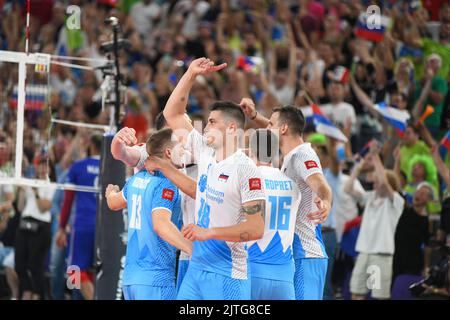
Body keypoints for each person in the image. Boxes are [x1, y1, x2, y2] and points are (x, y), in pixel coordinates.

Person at [149, 57, 266, 300]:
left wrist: (210, 232)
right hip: (197, 268)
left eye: (212, 122)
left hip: (227, 273)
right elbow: (172, 113)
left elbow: (256, 228)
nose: (205, 127)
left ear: (232, 129)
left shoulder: (246, 169)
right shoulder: (205, 151)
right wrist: (191, 73)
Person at [240, 99, 333, 300]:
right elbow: (271, 131)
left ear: (283, 129)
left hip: (306, 254)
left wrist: (326, 201)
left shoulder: (302, 155)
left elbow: (321, 184)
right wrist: (255, 116)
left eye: (271, 124)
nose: (267, 127)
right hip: (294, 254)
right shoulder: (290, 156)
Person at [111, 112, 197, 291]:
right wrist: (117, 141)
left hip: (135, 272)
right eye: (182, 124)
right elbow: (123, 154)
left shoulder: (137, 180)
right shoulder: (160, 175)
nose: (189, 131)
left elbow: (114, 203)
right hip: (164, 262)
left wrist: (110, 193)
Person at [345, 142, 405, 300]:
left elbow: (384, 182)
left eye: (378, 181)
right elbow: (347, 189)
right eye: (376, 181)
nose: (376, 183)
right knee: (356, 294)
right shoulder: (370, 197)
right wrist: (358, 168)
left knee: (378, 296)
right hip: (364, 252)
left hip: (380, 255)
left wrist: (375, 156)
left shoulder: (396, 201)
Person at [247, 129, 301, 300]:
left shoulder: (248, 181)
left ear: (251, 151)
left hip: (251, 270)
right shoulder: (293, 185)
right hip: (284, 276)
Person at [55, 134, 102, 300]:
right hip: (104, 228)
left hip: (82, 226)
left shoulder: (78, 167)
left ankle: (77, 296)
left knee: (73, 270)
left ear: (91, 146)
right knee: (94, 271)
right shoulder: (111, 169)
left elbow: (67, 202)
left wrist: (61, 227)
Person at [14, 157, 55, 300]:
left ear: (50, 169)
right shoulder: (30, 183)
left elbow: (44, 207)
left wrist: (36, 191)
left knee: (34, 265)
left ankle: (38, 293)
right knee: (19, 263)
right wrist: (21, 191)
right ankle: (26, 290)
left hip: (40, 227)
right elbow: (20, 207)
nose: (43, 169)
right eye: (41, 166)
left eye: (46, 167)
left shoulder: (52, 186)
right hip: (24, 224)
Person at [393, 182, 433, 281]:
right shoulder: (403, 209)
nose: (418, 194)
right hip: (395, 257)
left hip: (411, 263)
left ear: (428, 199)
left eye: (423, 194)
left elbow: (427, 245)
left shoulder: (427, 221)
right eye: (418, 192)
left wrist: (426, 266)